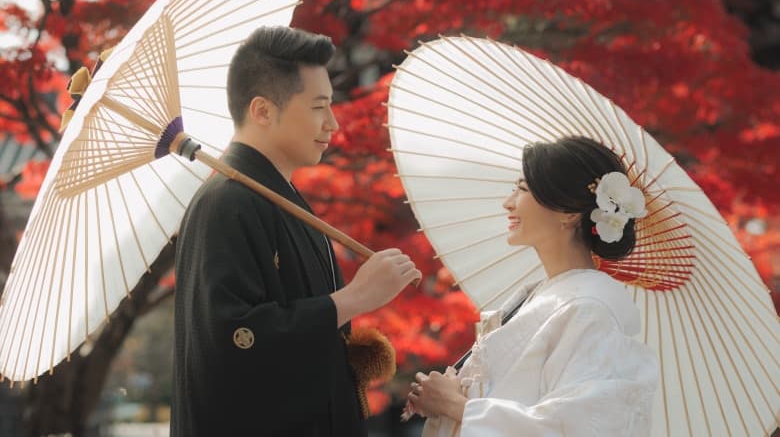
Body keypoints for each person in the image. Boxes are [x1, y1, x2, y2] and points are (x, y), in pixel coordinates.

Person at [171, 26, 421, 436]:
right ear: (263, 111)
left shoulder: (276, 197)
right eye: (319, 107)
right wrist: (354, 298)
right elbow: (231, 336)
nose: (334, 123)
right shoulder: (226, 203)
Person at [407, 136, 659, 436]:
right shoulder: (540, 295)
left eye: (523, 189)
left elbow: (578, 426)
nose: (508, 202)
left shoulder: (590, 310)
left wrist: (456, 407)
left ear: (568, 213)